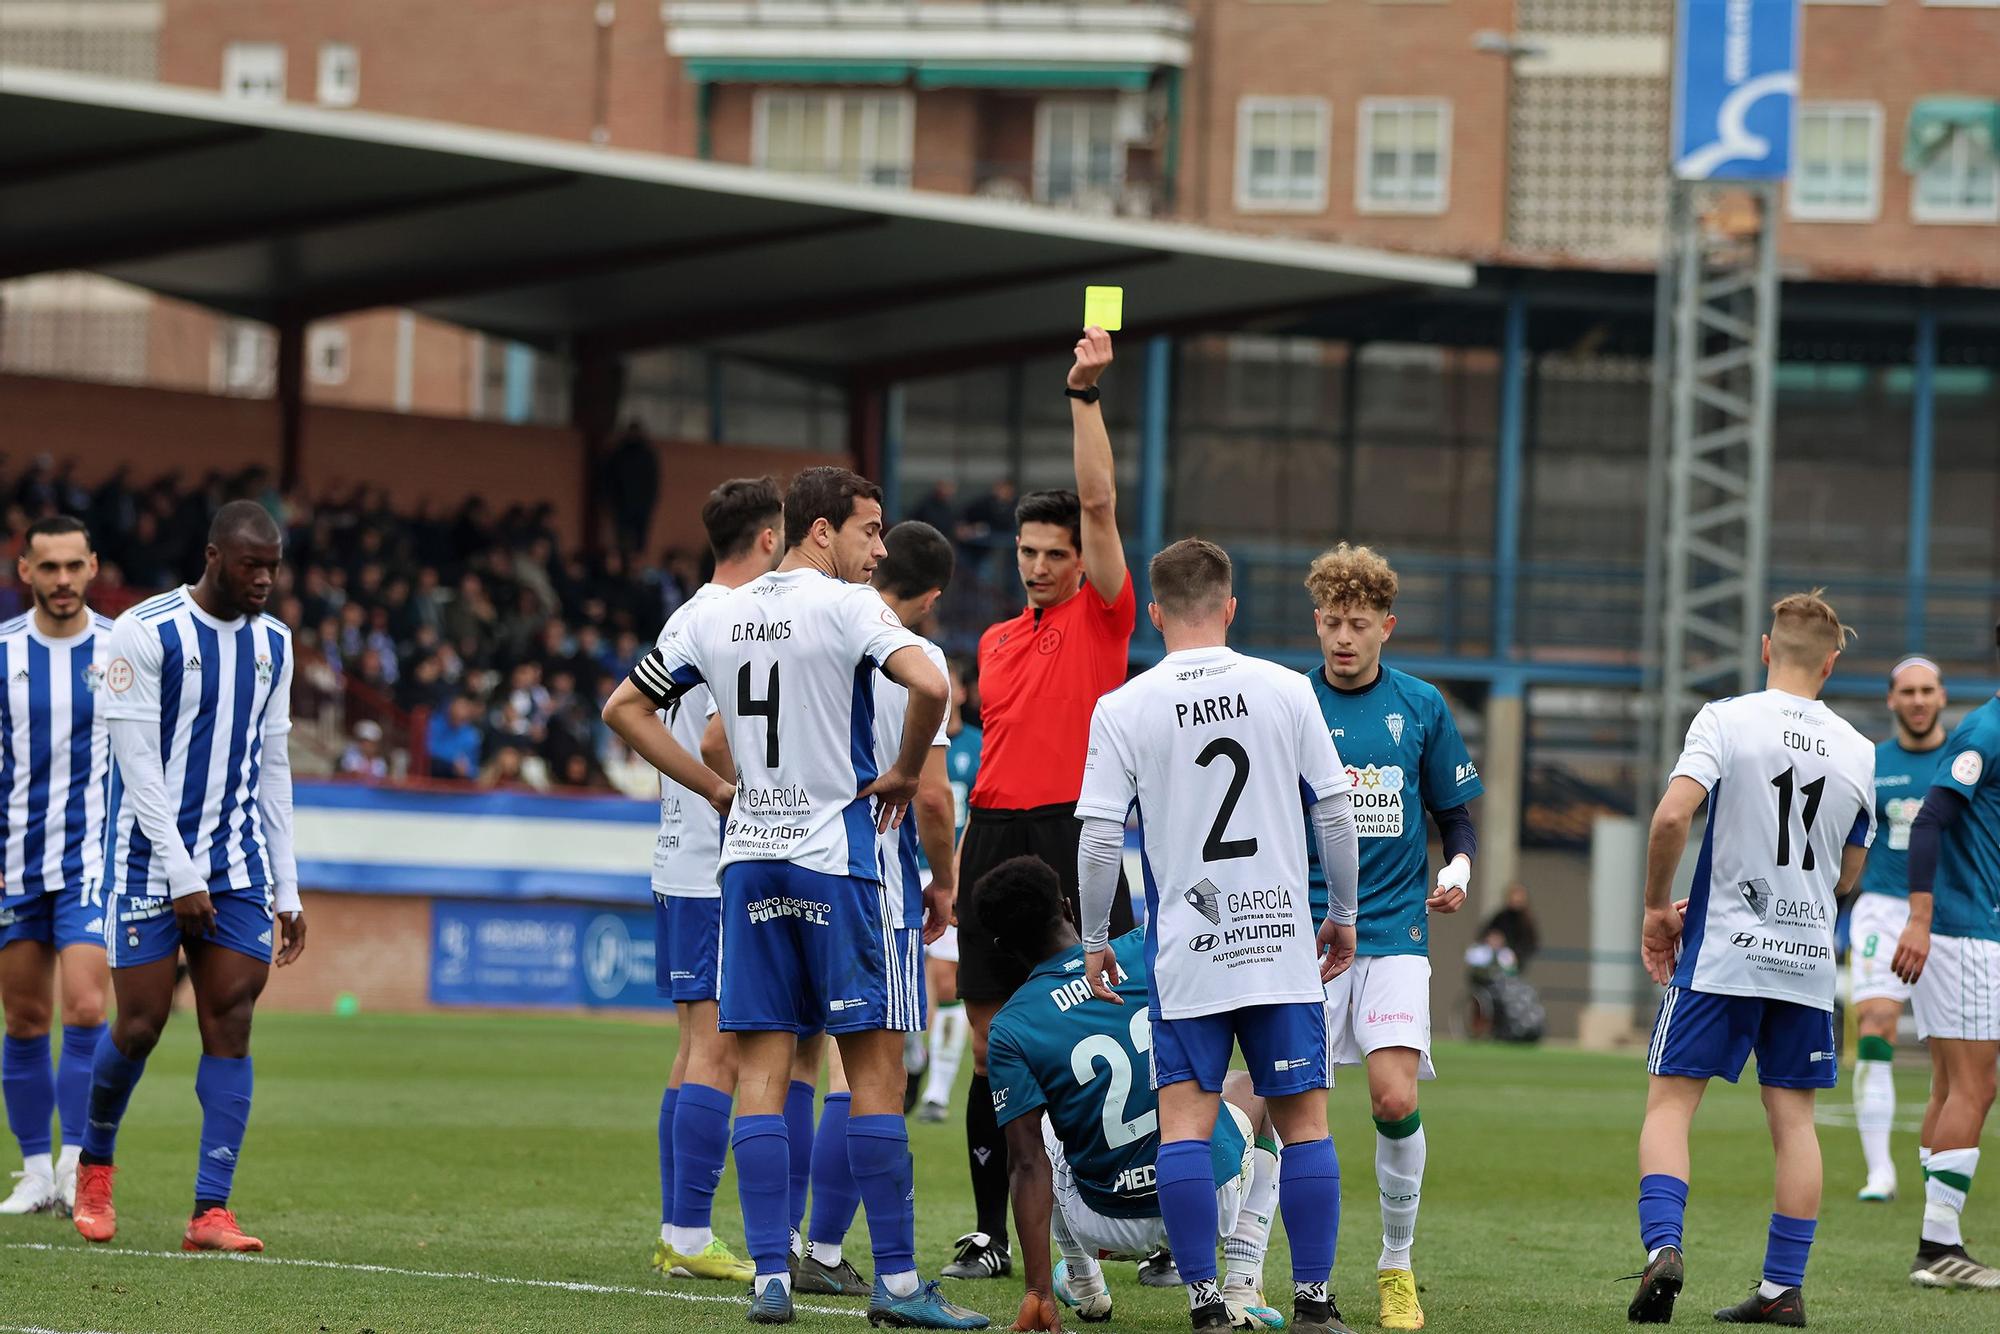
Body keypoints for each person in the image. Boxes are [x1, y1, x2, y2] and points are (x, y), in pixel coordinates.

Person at [603, 467, 985, 1329]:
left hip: (747, 864)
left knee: (764, 1075)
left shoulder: (715, 611)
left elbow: (623, 709)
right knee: (875, 1071)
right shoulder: (849, 608)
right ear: (822, 531)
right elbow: (931, 686)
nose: (878, 549)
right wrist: (901, 766)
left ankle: (771, 1276)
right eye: (869, 530)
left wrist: (712, 788)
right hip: (833, 859)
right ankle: (895, 1286)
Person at [1075, 537, 1362, 1334]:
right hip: (1279, 940)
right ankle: (1313, 1301)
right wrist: (1344, 913)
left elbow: (1100, 839)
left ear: (1155, 614)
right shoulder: (1285, 689)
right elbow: (1334, 811)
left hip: (1187, 950)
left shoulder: (1123, 705)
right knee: (1304, 1124)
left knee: (1187, 1124)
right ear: (1230, 608)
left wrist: (1097, 935)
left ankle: (1205, 1303)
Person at [1627, 591, 1874, 1326]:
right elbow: (1848, 875)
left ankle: (1664, 1248)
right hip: (1805, 962)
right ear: (1830, 664)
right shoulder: (1861, 751)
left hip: (1724, 953)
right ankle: (1782, 1289)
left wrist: (1654, 907)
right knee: (1794, 1122)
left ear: (1767, 649)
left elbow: (1674, 814)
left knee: (1672, 1102)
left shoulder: (1726, 719)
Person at [70, 500, 308, 1252]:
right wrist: (177, 870)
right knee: (139, 1026)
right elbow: (137, 769)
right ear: (213, 558)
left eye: (273, 565)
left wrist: (288, 885)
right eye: (251, 566)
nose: (265, 579)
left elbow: (273, 766)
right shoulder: (145, 631)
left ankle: (211, 1210)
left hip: (234, 862)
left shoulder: (276, 643)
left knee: (231, 1017)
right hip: (146, 859)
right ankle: (95, 1163)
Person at [953, 328, 1137, 1283]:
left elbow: (1100, 499)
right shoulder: (990, 642)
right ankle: (993, 1232)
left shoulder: (1104, 616)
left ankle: (1132, 1219)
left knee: (1105, 1022)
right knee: (992, 1047)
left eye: (1053, 553)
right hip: (991, 838)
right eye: (1026, 552)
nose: (1036, 566)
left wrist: (1083, 395)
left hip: (1074, 832)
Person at [977, 856, 1287, 1334]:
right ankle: (1242, 1285)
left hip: (1104, 1218)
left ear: (1001, 946)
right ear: (1066, 907)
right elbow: (1209, 903)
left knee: (1036, 1132)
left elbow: (1024, 1166)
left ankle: (1082, 1281)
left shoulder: (1011, 1027)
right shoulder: (1144, 946)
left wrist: (1036, 1289)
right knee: (1251, 1086)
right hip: (1208, 1198)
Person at [1300, 542, 1482, 1332]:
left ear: (1387, 627)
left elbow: (1457, 813)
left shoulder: (1422, 705)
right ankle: (1244, 1273)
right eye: (1333, 623)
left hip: (1397, 931)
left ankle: (1396, 1268)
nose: (1344, 638)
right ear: (1317, 623)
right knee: (1285, 1107)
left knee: (1393, 1097)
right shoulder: (1287, 701)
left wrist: (1462, 871)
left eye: (1359, 624)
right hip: (1304, 933)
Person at [647, 478, 784, 1285]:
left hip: (677, 857)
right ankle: (690, 1235)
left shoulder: (686, 617)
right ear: (769, 541)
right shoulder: (732, 622)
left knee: (693, 1048)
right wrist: (733, 799)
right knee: (719, 1052)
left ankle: (678, 1228)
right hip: (713, 860)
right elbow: (714, 739)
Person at [0, 516, 112, 1217]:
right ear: (25, 573)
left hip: (91, 862)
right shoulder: (3, 652)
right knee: (24, 1019)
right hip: (13, 863)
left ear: (93, 568)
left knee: (88, 1006)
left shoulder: (121, 651)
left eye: (74, 566)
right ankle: (35, 1171)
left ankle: (76, 1162)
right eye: (50, 568)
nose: (63, 580)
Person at [1891, 623, 2000, 1291]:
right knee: (1975, 1086)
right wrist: (1922, 920)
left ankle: (1939, 1239)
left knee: (1947, 1085)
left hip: (1969, 930)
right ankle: (1937, 1249)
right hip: (1963, 932)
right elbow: (1929, 819)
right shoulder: (1987, 730)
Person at [1848, 656, 1947, 1204]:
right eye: (1906, 691)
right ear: (1891, 700)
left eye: (1926, 690)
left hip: (1947, 911)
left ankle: (1940, 1165)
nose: (1916, 699)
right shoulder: (1871, 762)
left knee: (1951, 1048)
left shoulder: (1965, 759)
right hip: (1883, 911)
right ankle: (1880, 1171)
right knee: (1877, 1025)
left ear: (1941, 697)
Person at [918, 659, 980, 1125]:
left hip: (953, 875)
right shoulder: (914, 735)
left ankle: (937, 1091)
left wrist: (957, 867)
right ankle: (910, 1053)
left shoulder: (978, 747)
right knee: (901, 977)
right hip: (907, 866)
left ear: (959, 693)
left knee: (945, 981)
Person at [1479, 883, 1538, 973]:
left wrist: (1517, 955)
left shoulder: (1526, 921)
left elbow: (1530, 943)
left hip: (1515, 960)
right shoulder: (1501, 916)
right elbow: (1484, 933)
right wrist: (1492, 939)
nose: (1516, 900)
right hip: (1494, 957)